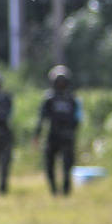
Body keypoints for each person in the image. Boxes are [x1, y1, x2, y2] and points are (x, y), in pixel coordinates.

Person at [36, 64, 82, 196]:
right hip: (58, 135)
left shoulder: (71, 99)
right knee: (53, 164)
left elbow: (41, 119)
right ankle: (57, 191)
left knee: (65, 165)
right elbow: (78, 119)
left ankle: (62, 190)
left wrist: (37, 135)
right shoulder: (70, 99)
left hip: (59, 135)